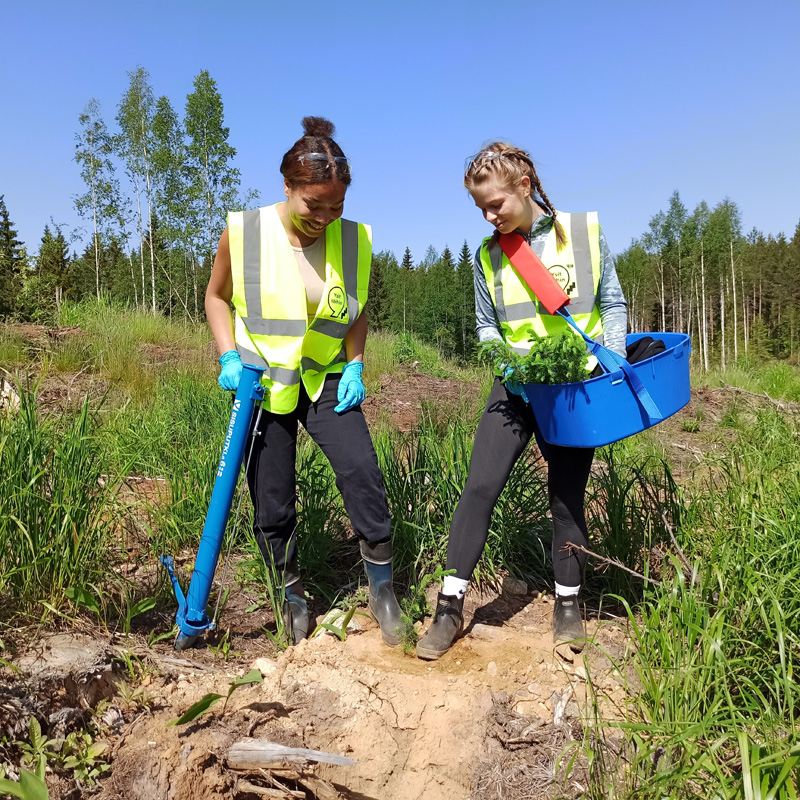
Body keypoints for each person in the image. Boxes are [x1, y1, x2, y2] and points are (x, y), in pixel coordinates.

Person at [416, 142, 628, 660]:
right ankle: (449, 608)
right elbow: (487, 326)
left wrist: (614, 357)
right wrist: (507, 363)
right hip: (514, 389)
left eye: (496, 205)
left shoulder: (583, 234)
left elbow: (612, 303)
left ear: (525, 188)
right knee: (480, 487)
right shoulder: (488, 254)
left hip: (574, 390)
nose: (489, 216)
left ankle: (569, 606)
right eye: (480, 209)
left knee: (566, 497)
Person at [205, 116, 402, 647]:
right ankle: (289, 593)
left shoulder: (355, 240)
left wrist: (357, 364)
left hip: (327, 376)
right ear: (287, 187)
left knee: (362, 472)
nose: (324, 217)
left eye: (335, 207)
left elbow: (355, 310)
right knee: (272, 495)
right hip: (266, 382)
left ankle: (383, 589)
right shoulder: (244, 231)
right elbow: (216, 297)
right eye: (313, 205)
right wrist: (227, 355)